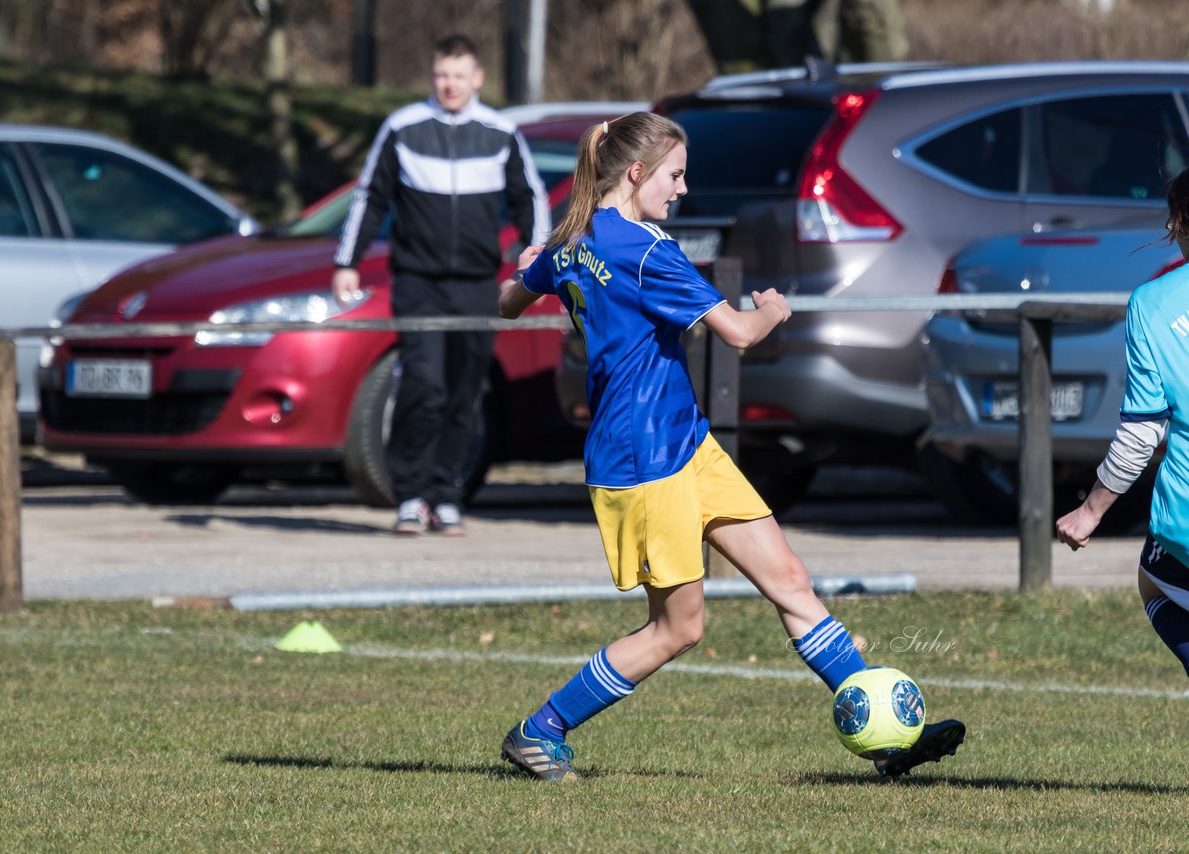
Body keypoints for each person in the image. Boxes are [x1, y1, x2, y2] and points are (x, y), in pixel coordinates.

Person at [494, 111, 965, 782]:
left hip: (686, 444)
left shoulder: (574, 237)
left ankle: (887, 735)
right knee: (677, 630)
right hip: (643, 461)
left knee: (791, 581)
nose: (682, 189)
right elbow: (740, 334)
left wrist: (533, 268)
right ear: (636, 172)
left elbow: (511, 300)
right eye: (676, 175)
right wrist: (774, 309)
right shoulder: (650, 252)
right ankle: (540, 730)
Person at [333, 33, 549, 536]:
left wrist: (534, 253)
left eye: (458, 75)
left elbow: (530, 197)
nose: (449, 85)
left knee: (465, 389)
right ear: (433, 78)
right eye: (441, 75)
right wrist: (348, 260)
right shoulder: (403, 128)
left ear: (476, 78)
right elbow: (370, 198)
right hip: (419, 281)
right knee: (424, 384)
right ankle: (409, 494)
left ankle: (447, 495)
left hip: (477, 283)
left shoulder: (500, 132)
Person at [1057, 167, 1189, 678]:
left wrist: (1090, 512)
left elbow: (1141, 433)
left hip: (1183, 531)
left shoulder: (1153, 303)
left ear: (1176, 222)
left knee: (1155, 580)